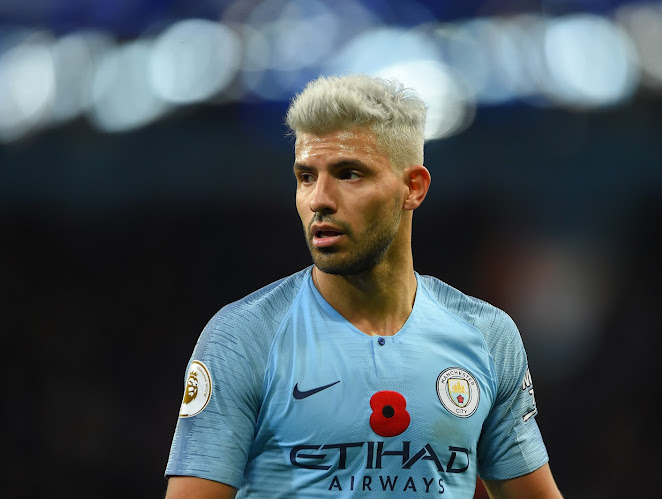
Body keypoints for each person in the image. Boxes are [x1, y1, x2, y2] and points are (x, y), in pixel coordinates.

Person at [164, 75, 562, 498]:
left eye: (348, 173)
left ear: (413, 188)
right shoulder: (244, 337)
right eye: (305, 176)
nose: (319, 199)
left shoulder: (486, 336)